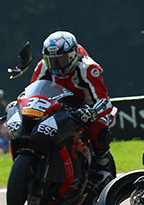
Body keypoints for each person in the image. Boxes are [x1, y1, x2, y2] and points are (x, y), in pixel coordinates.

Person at [29, 31, 114, 184]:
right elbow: (31, 91)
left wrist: (93, 112)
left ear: (73, 55)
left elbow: (104, 100)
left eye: (61, 60)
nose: (56, 66)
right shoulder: (42, 67)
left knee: (99, 126)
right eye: (52, 61)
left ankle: (103, 165)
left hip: (86, 107)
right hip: (57, 105)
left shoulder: (88, 68)